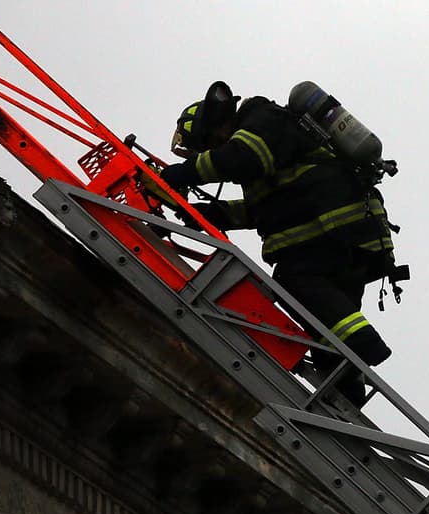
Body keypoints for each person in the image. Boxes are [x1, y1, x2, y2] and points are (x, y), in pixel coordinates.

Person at [156, 81, 401, 406]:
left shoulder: (261, 120)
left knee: (294, 282)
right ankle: (347, 388)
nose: (211, 151)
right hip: (343, 236)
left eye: (208, 145)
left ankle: (365, 344)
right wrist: (215, 213)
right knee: (322, 329)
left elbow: (241, 157)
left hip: (332, 230)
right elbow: (266, 208)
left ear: (212, 126)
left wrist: (185, 173)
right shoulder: (265, 146)